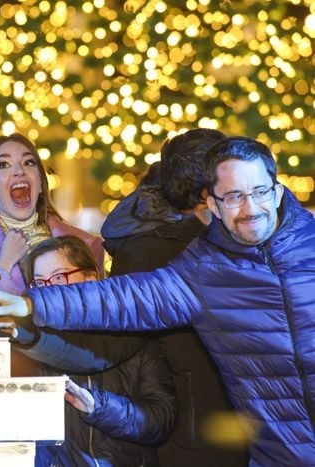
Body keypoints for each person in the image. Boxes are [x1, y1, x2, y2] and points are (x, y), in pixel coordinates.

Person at [0, 136, 315, 465]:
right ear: (212, 204)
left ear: (278, 191)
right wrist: (29, 305)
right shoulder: (202, 270)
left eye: (259, 192)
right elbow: (118, 298)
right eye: (234, 196)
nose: (250, 208)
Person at [102, 128, 246, 465]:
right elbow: (128, 346)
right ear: (205, 190)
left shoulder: (220, 237)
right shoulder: (154, 251)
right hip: (191, 430)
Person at [14, 236, 176, 466]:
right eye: (40, 283)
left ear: (92, 276)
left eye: (59, 277)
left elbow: (160, 420)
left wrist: (99, 407)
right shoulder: (29, 344)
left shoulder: (131, 335)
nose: (49, 290)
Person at [0, 132, 105, 296]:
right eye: (3, 165)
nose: (19, 170)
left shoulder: (88, 244)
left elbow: (96, 311)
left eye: (29, 162)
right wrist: (3, 267)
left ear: (40, 184)